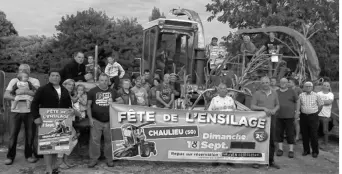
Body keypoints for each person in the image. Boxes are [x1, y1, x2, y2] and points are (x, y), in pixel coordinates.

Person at [31, 69, 72, 174]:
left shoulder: (64, 90)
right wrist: (36, 117)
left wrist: (70, 113)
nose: (55, 77)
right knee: (47, 145)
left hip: (62, 121)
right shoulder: (42, 89)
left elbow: (69, 105)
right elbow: (34, 104)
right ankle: (48, 168)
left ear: (60, 78)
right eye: (53, 75)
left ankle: (54, 167)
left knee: (57, 145)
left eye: (57, 75)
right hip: (46, 121)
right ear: (49, 77)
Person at [3, 64, 40, 165]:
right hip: (15, 111)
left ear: (29, 70)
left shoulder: (35, 81)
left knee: (30, 134)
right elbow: (6, 95)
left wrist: (24, 91)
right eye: (21, 69)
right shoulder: (14, 81)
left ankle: (29, 155)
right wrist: (16, 97)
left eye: (25, 69)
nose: (23, 71)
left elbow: (36, 93)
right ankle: (10, 157)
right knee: (12, 135)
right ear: (18, 71)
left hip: (30, 111)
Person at [87, 73, 118, 168]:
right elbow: (88, 106)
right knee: (94, 141)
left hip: (109, 120)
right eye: (102, 80)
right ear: (98, 81)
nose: (104, 82)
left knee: (109, 141)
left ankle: (109, 159)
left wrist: (115, 102)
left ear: (108, 81)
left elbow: (121, 101)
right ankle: (94, 159)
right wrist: (90, 118)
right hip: (96, 120)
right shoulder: (92, 91)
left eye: (106, 80)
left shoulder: (113, 91)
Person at [251, 76, 280, 169]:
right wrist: (263, 108)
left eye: (267, 82)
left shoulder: (274, 93)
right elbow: (252, 106)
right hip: (260, 120)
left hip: (272, 119)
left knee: (271, 140)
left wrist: (275, 110)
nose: (265, 84)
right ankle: (257, 161)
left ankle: (270, 160)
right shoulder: (257, 93)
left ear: (269, 83)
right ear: (261, 84)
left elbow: (278, 105)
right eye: (263, 83)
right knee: (259, 139)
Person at [296, 81, 324, 158]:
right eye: (306, 86)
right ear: (304, 87)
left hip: (313, 116)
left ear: (312, 87)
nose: (308, 87)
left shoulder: (316, 95)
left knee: (314, 134)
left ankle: (315, 151)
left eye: (309, 86)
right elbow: (299, 105)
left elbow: (321, 104)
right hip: (303, 116)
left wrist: (316, 112)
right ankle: (306, 150)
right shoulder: (301, 95)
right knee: (304, 134)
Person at [276, 78, 298, 158]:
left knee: (290, 133)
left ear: (287, 83)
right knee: (279, 132)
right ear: (279, 83)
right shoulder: (276, 92)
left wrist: (297, 112)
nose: (283, 83)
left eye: (285, 82)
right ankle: (280, 149)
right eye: (281, 82)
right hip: (278, 116)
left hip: (290, 116)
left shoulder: (292, 91)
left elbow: (297, 101)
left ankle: (291, 150)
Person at [317, 82, 334, 147]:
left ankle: (326, 143)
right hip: (317, 114)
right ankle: (315, 142)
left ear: (329, 87)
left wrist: (320, 101)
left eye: (327, 86)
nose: (325, 87)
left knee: (325, 130)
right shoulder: (318, 93)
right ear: (322, 86)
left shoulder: (330, 94)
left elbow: (329, 102)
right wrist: (324, 101)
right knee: (315, 128)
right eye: (324, 85)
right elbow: (315, 101)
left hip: (326, 115)